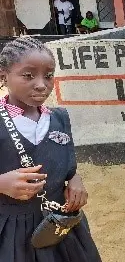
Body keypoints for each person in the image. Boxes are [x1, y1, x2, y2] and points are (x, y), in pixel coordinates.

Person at [0, 36, 101, 261]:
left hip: (60, 227)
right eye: (28, 75)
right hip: (11, 232)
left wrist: (75, 178)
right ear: (3, 76)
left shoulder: (60, 118)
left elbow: (66, 164)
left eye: (48, 75)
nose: (41, 84)